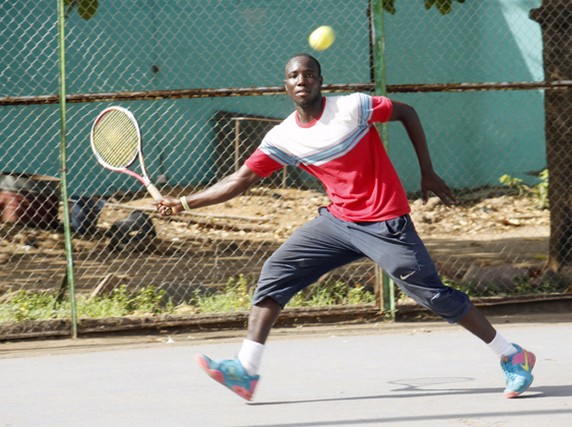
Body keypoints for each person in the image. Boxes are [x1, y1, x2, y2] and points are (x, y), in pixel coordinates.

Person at [156, 53, 536, 401]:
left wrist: (426, 170)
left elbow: (408, 113)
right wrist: (184, 202)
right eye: (293, 75)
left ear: (321, 81)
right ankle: (246, 369)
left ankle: (512, 354)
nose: (301, 79)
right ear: (285, 86)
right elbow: (238, 181)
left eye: (308, 73)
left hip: (386, 219)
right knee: (276, 271)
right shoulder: (283, 138)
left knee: (433, 297)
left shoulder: (353, 107)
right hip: (339, 222)